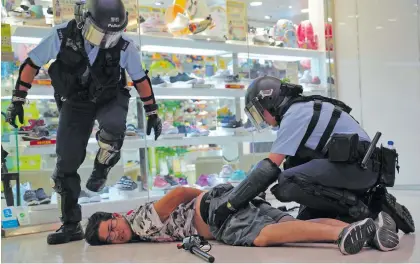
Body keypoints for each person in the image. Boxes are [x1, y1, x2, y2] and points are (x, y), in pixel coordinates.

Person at [5, 0, 162, 245]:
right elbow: (32, 64)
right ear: (83, 19)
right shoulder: (61, 35)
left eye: (112, 36)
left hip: (110, 96)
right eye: (99, 33)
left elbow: (140, 78)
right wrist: (18, 99)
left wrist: (152, 111)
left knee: (114, 128)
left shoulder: (125, 46)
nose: (104, 41)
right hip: (76, 101)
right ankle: (70, 225)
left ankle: (102, 167)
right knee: (65, 164)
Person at [212, 76, 415, 234]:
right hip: (361, 169)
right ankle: (373, 201)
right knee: (294, 165)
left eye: (259, 112)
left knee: (287, 182)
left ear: (269, 101)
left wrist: (230, 203)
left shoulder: (295, 114)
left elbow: (269, 168)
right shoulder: (303, 108)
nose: (262, 119)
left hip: (360, 169)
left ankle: (365, 211)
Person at [85, 184, 399, 255]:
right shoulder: (138, 227)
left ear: (116, 216)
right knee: (280, 222)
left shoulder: (140, 221)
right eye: (108, 237)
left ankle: (339, 238)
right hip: (222, 202)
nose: (115, 235)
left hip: (216, 214)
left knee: (265, 235)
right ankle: (362, 230)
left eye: (111, 227)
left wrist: (210, 203)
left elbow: (180, 192)